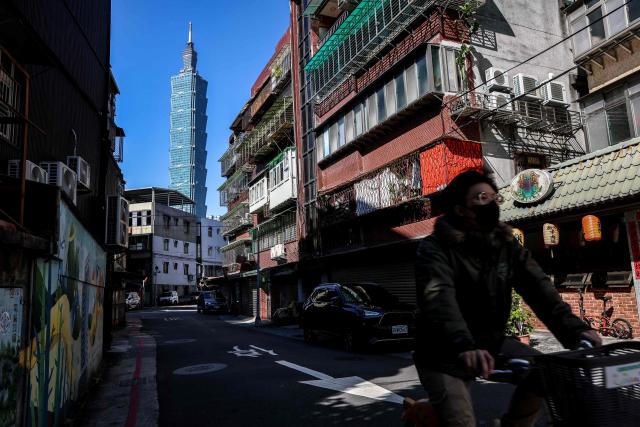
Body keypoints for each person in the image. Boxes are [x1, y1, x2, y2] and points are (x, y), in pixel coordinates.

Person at [413, 169, 601, 427]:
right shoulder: (434, 248)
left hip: (490, 343)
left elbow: (539, 289)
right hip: (442, 351)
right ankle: (428, 415)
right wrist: (463, 344)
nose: (491, 204)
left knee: (545, 374)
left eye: (494, 198)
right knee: (460, 420)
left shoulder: (505, 245)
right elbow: (438, 298)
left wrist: (577, 331)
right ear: (460, 209)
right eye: (481, 198)